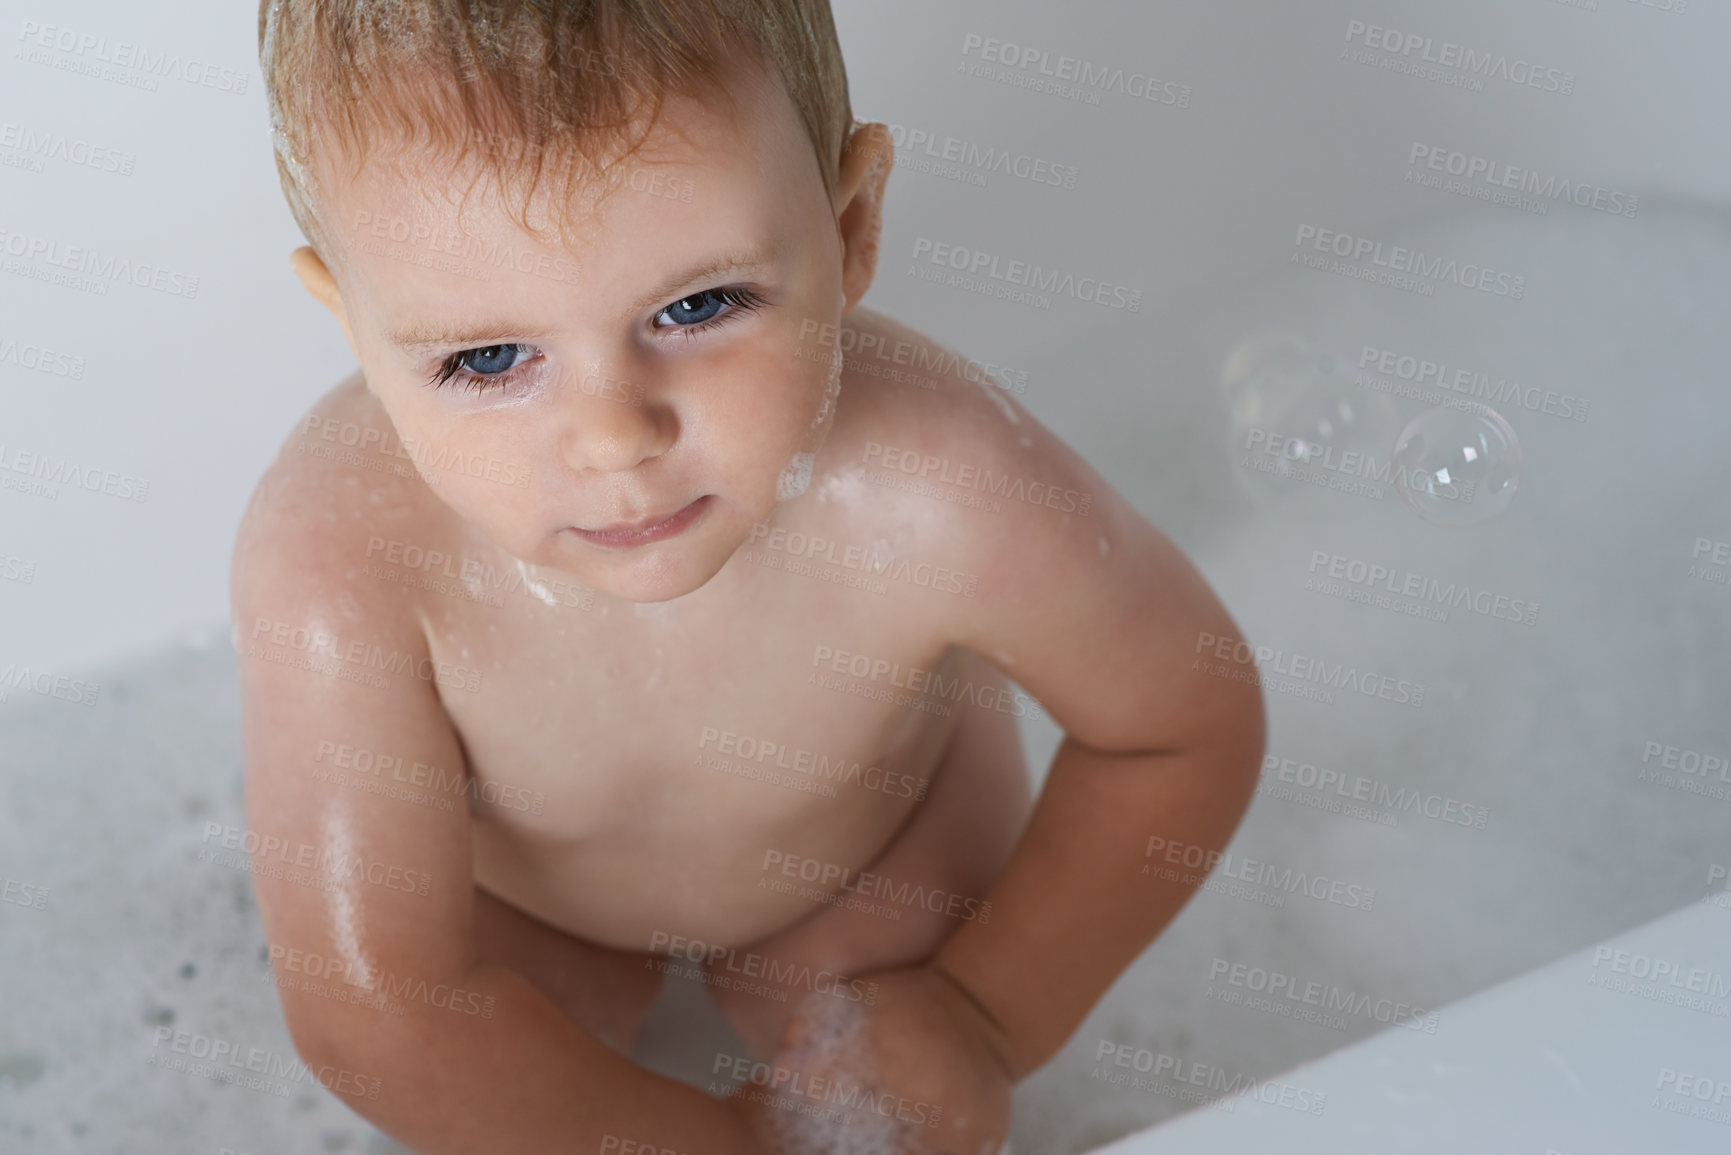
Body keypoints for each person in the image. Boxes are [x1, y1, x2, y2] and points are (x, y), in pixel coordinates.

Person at [232, 2, 1266, 1151]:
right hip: (524, 909)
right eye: (485, 359)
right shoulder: (343, 559)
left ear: (851, 225)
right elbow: (374, 1013)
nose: (615, 438)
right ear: (356, 328)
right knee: (477, 1057)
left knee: (902, 1069)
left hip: (868, 858)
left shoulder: (939, 486)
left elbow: (1182, 722)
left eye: (697, 306)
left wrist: (986, 1011)